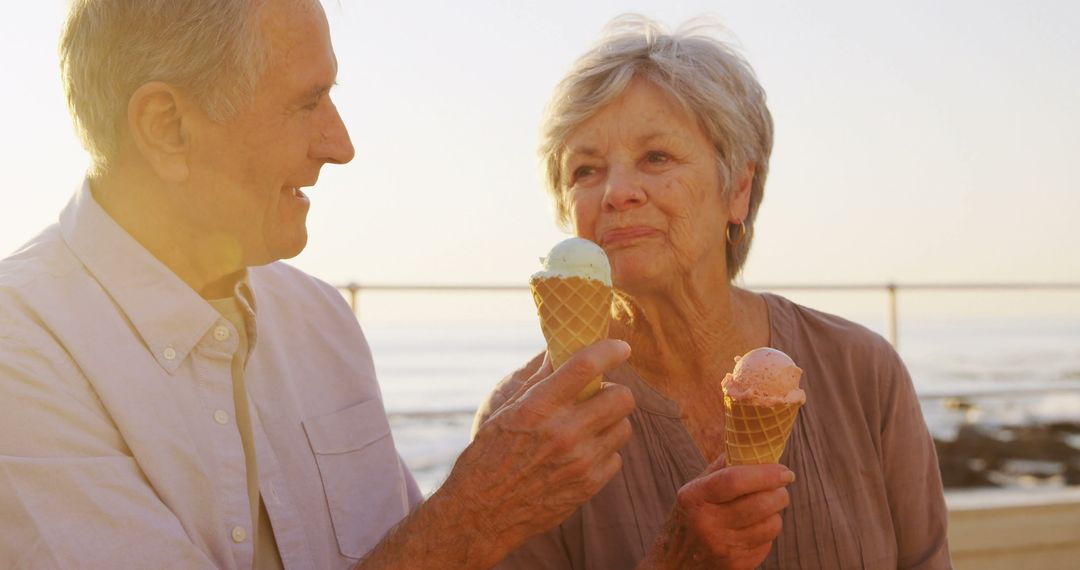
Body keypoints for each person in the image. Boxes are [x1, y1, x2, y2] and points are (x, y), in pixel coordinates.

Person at [0, 1, 636, 568]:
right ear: (167, 127)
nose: (341, 144)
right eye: (308, 101)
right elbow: (444, 541)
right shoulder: (20, 355)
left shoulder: (321, 319)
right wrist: (473, 519)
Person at [476, 15, 952, 569]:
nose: (617, 192)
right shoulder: (526, 416)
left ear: (739, 190)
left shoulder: (862, 371)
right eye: (586, 169)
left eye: (657, 157)